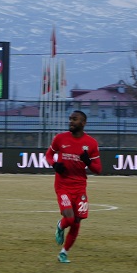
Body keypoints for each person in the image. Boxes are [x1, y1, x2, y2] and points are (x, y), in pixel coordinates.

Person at [46, 110, 102, 264]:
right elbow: (48, 155)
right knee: (69, 218)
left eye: (75, 119)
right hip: (63, 185)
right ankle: (60, 225)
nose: (71, 121)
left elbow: (98, 169)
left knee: (77, 222)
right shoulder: (60, 138)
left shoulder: (91, 143)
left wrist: (88, 162)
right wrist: (55, 165)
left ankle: (64, 253)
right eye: (70, 119)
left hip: (80, 187)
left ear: (83, 123)